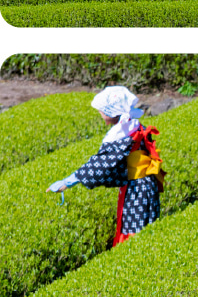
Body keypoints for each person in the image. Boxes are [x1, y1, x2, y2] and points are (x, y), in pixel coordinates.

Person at [45, 85, 162, 247]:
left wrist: (68, 182)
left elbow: (100, 166)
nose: (100, 114)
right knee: (148, 229)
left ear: (111, 112)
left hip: (137, 191)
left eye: (101, 111)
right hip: (147, 185)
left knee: (136, 235)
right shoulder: (132, 126)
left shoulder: (123, 135)